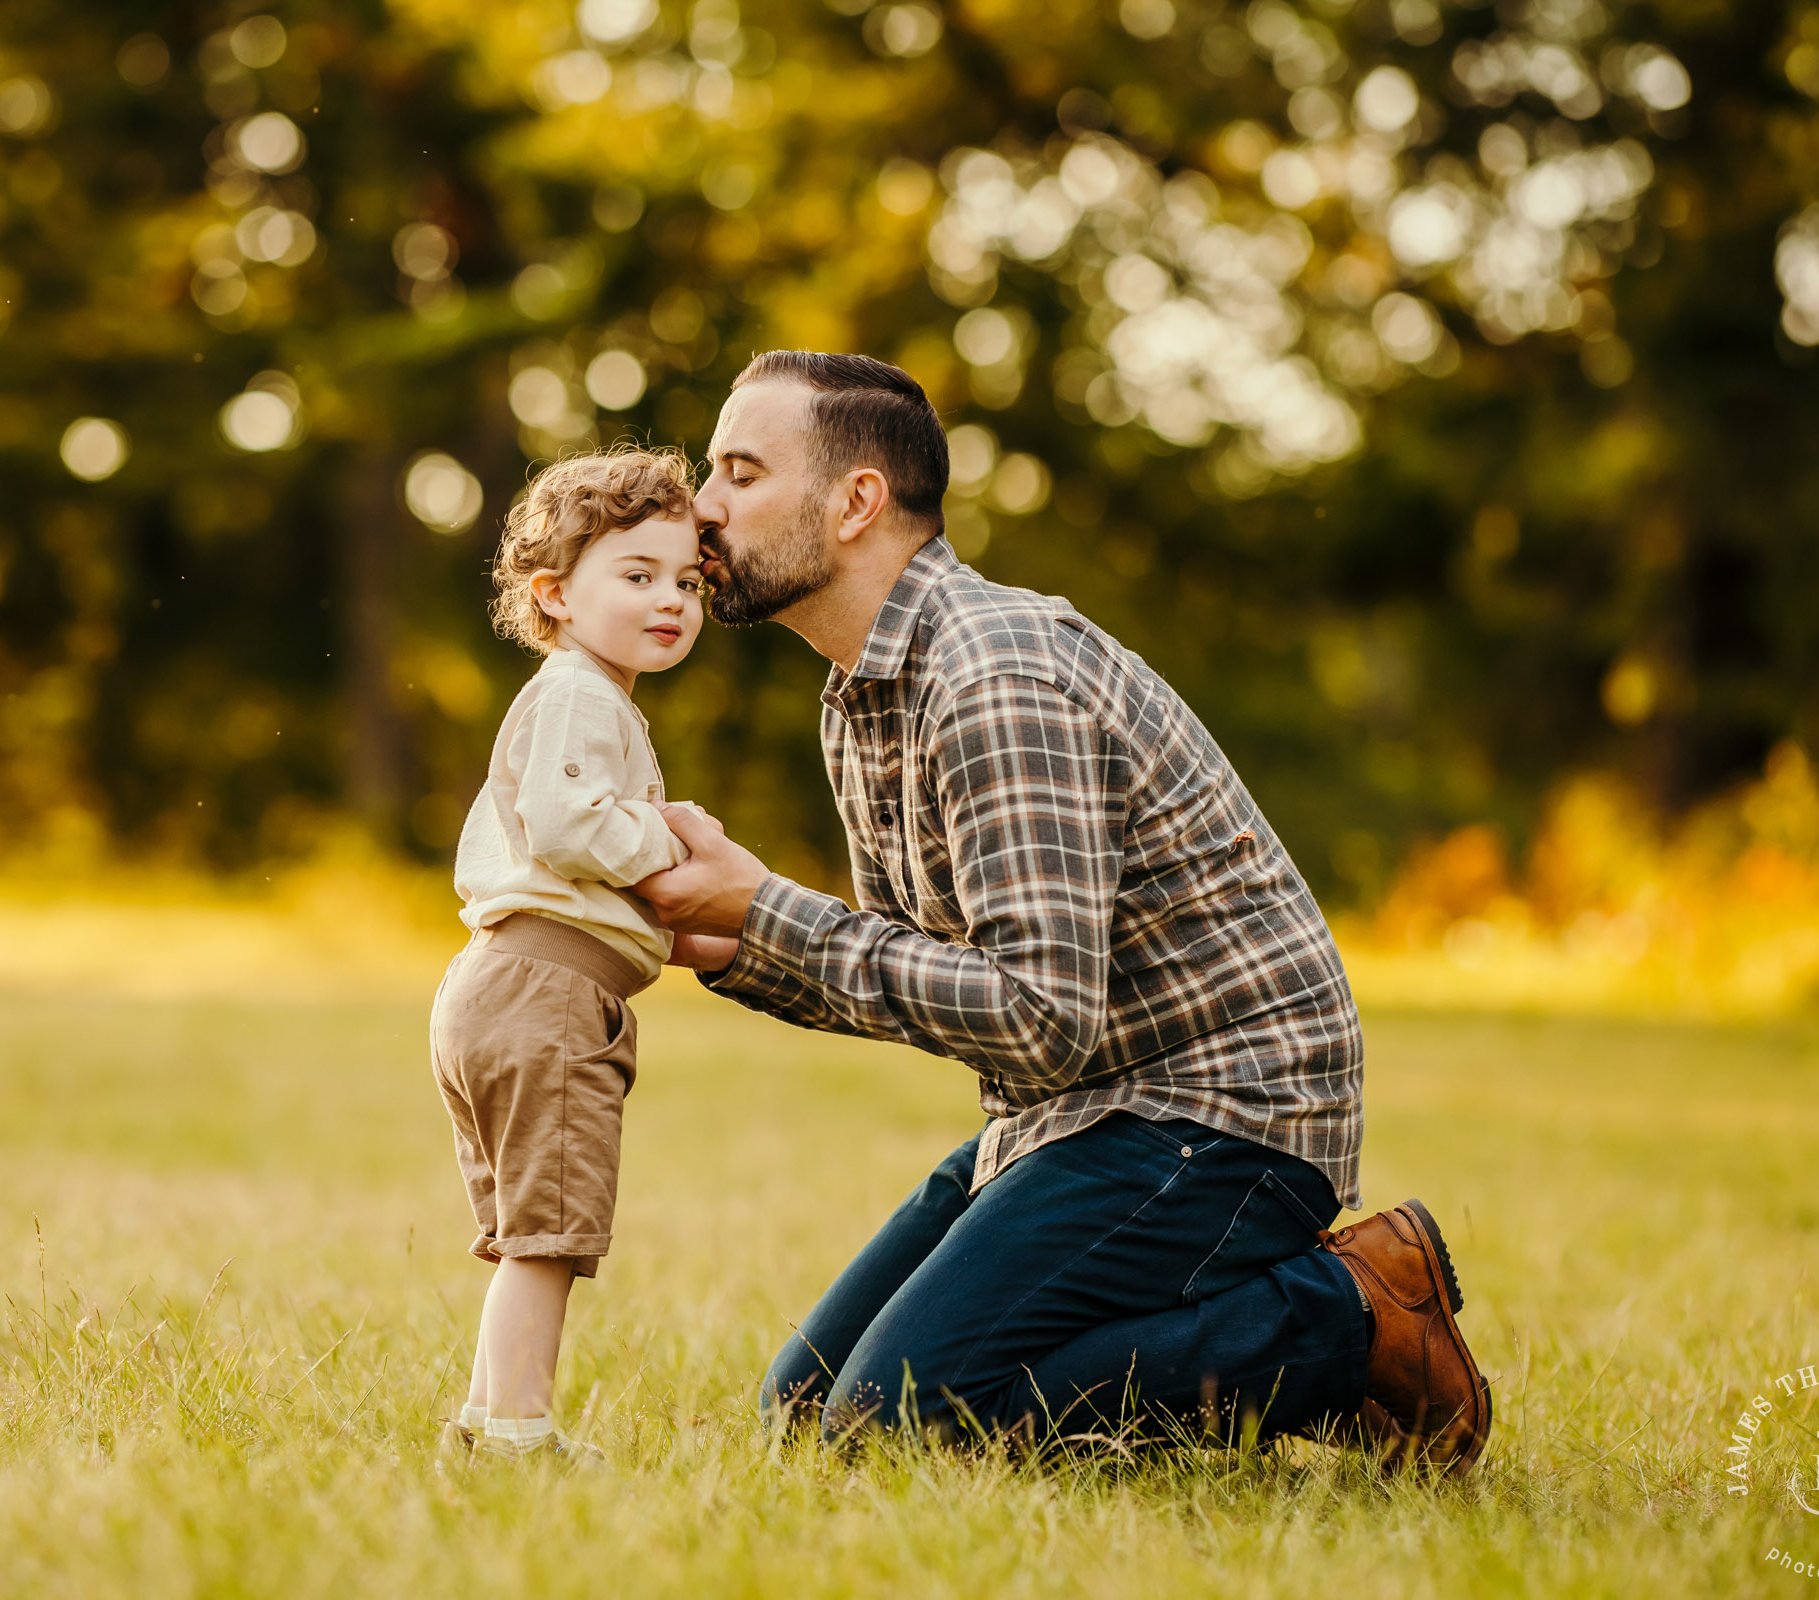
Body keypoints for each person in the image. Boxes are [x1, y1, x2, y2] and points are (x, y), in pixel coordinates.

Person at [634, 352, 1490, 1471]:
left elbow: (1041, 1014)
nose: (703, 506)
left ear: (856, 502)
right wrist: (738, 941)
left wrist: (774, 910)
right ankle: (1243, 1337)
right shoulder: (863, 696)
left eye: (740, 473)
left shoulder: (995, 674)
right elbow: (932, 978)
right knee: (804, 1415)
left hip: (1222, 1116)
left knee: (893, 1429)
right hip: (1071, 1111)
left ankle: (1351, 1321)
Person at [432, 446, 705, 1465]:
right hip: (542, 990)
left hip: (517, 984)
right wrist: (669, 841)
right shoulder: (582, 695)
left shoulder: (590, 698)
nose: (670, 598)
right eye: (636, 575)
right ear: (555, 592)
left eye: (687, 579)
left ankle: (489, 1416)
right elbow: (560, 824)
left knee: (528, 1230)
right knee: (550, 1233)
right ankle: (514, 1428)